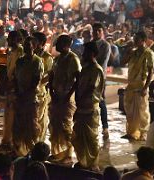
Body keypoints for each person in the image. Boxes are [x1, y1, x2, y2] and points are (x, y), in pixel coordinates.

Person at [72, 41, 104, 171]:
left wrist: (79, 99)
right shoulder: (85, 68)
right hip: (81, 107)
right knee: (79, 136)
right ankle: (83, 161)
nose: (83, 54)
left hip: (90, 108)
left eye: (85, 52)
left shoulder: (96, 70)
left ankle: (91, 164)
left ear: (92, 53)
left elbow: (91, 88)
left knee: (91, 138)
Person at [48, 35, 81, 163]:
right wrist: (51, 90)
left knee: (66, 126)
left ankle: (67, 154)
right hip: (56, 95)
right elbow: (52, 75)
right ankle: (57, 152)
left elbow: (77, 79)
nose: (57, 46)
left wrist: (68, 95)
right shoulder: (57, 59)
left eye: (60, 43)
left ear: (67, 44)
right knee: (55, 125)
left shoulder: (73, 59)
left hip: (67, 96)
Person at [13, 36, 44, 156]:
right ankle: (18, 149)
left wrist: (26, 93)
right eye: (25, 45)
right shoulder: (20, 60)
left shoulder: (37, 61)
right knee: (18, 124)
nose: (26, 47)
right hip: (20, 96)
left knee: (31, 125)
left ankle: (31, 150)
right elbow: (16, 77)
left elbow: (37, 79)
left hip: (30, 97)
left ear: (34, 47)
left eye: (28, 45)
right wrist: (17, 91)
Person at [122, 31, 154, 141]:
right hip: (131, 85)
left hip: (141, 85)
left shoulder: (149, 53)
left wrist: (146, 88)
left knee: (142, 111)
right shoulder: (133, 52)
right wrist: (128, 51)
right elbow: (123, 62)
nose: (135, 41)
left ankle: (143, 133)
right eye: (134, 39)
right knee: (130, 111)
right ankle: (131, 132)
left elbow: (151, 72)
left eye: (137, 39)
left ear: (144, 40)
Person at [0, 31, 23, 152]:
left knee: (15, 117)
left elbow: (20, 71)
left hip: (16, 88)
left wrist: (13, 83)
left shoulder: (21, 52)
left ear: (17, 39)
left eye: (10, 39)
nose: (8, 41)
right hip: (10, 87)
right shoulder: (11, 52)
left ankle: (15, 144)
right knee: (8, 116)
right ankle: (7, 141)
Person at [33, 32, 53, 141]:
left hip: (40, 93)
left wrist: (38, 83)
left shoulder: (47, 57)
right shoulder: (31, 55)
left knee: (39, 121)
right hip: (29, 92)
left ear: (41, 43)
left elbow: (50, 75)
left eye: (34, 41)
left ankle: (38, 144)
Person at [92, 22, 111, 139]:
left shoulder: (106, 45)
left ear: (102, 32)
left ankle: (105, 127)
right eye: (95, 31)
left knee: (101, 101)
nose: (97, 33)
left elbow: (102, 62)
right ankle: (93, 125)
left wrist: (92, 62)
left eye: (99, 31)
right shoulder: (90, 44)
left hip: (100, 77)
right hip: (89, 76)